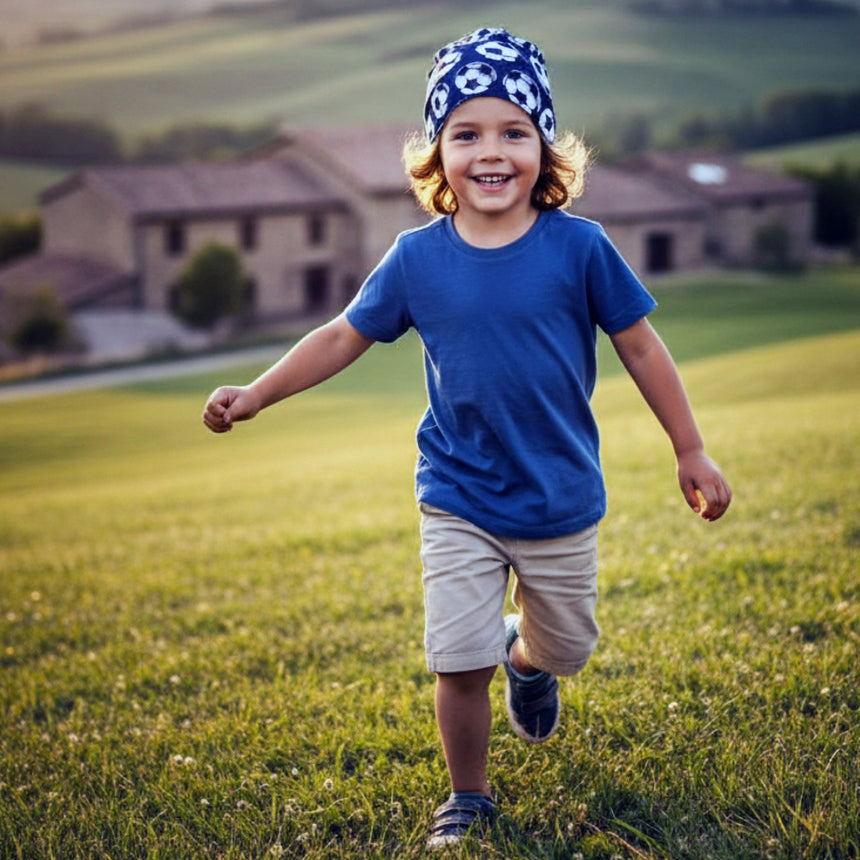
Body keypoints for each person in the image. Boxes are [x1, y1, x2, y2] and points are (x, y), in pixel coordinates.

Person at [202, 27, 732, 850]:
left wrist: (689, 447)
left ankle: (528, 662)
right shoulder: (416, 261)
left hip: (558, 495)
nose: (491, 152)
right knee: (457, 658)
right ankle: (468, 796)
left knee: (568, 646)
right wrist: (259, 393)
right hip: (458, 493)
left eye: (514, 131)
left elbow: (640, 347)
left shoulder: (581, 248)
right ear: (437, 153)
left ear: (544, 147)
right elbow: (341, 335)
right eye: (466, 133)